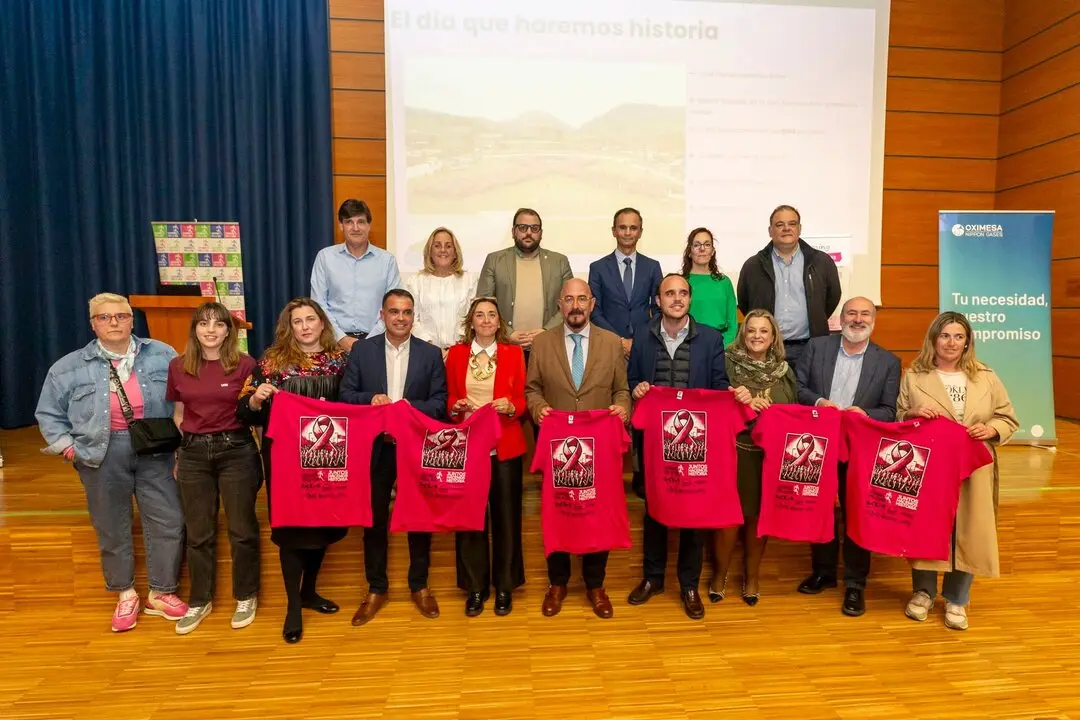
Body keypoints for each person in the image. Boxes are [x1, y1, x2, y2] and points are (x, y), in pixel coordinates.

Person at [35, 292, 188, 632]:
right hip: (100, 453)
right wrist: (69, 449)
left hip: (156, 449)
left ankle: (162, 592)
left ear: (133, 320)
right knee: (111, 526)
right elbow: (48, 414)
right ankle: (126, 593)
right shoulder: (67, 367)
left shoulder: (163, 354)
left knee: (169, 520)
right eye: (105, 317)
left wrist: (182, 446)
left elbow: (184, 400)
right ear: (93, 324)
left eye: (120, 316)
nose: (114, 322)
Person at [236, 298, 350, 644]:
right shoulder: (271, 361)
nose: (304, 326)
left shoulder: (340, 360)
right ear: (289, 326)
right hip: (287, 461)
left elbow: (354, 402)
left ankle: (310, 592)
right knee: (292, 529)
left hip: (328, 456)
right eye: (297, 321)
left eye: (310, 319)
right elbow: (245, 408)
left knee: (322, 526)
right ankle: (293, 607)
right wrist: (258, 398)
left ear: (321, 323)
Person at [897, 311, 1018, 630]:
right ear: (933, 339)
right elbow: (899, 419)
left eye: (958, 336)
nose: (951, 342)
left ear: (968, 342)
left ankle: (957, 599)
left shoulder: (986, 376)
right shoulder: (914, 376)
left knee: (970, 528)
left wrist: (990, 429)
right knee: (927, 526)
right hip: (930, 465)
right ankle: (922, 592)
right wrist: (912, 412)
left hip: (974, 464)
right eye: (945, 335)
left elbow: (1008, 418)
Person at [340, 289, 449, 626]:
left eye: (407, 312)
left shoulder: (430, 354)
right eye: (394, 312)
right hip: (376, 448)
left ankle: (419, 585)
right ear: (382, 314)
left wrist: (405, 408)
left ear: (413, 316)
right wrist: (371, 398)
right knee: (374, 520)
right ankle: (376, 587)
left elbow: (440, 403)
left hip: (415, 448)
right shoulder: (362, 352)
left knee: (419, 517)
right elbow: (346, 395)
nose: (401, 318)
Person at [525, 278, 631, 618]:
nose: (575, 305)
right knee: (559, 513)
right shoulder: (541, 344)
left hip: (598, 449)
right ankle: (557, 583)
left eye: (581, 299)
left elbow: (621, 391)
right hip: (559, 450)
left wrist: (623, 409)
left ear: (593, 303)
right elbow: (532, 389)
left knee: (596, 515)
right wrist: (538, 408)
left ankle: (595, 585)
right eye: (569, 299)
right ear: (559, 304)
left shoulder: (612, 342)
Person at [626, 274, 728, 619]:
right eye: (670, 293)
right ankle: (653, 579)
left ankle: (689, 583)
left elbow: (719, 387)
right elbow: (631, 380)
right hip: (654, 443)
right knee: (654, 510)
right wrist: (638, 390)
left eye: (683, 293)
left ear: (690, 299)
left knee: (693, 517)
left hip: (695, 444)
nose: (677, 298)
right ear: (658, 300)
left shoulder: (711, 338)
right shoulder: (642, 335)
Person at [795, 296, 901, 616]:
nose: (857, 319)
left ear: (874, 320)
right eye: (851, 313)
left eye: (864, 314)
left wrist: (864, 413)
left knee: (857, 512)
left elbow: (889, 411)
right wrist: (818, 403)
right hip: (819, 445)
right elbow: (797, 388)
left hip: (860, 448)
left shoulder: (888, 362)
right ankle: (824, 573)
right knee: (821, 509)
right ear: (840, 319)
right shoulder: (816, 348)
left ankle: (855, 583)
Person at [168, 302, 260, 635]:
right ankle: (200, 599)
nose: (211, 330)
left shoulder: (245, 365)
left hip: (236, 449)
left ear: (228, 331)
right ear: (194, 329)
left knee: (241, 529)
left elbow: (253, 413)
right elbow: (179, 412)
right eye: (204, 324)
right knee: (198, 532)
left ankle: (246, 595)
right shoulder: (178, 366)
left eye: (219, 324)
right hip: (193, 452)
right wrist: (181, 451)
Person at [446, 297, 528, 617]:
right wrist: (455, 407)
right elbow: (450, 396)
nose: (485, 320)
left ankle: (505, 586)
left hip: (504, 446)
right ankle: (475, 587)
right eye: (479, 315)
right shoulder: (455, 354)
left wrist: (512, 407)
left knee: (506, 519)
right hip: (468, 448)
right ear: (471, 321)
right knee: (470, 521)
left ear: (499, 322)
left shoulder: (513, 353)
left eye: (491, 315)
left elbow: (521, 399)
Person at [718, 309, 797, 605]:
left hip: (771, 456)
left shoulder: (784, 371)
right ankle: (719, 575)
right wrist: (740, 402)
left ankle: (752, 577)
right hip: (734, 452)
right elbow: (714, 401)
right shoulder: (727, 363)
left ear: (773, 336)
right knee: (729, 518)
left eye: (764, 331)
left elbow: (794, 412)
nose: (757, 336)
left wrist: (772, 409)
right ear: (743, 333)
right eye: (751, 330)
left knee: (758, 519)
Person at [737, 205, 841, 365]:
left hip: (809, 347)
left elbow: (832, 298)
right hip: (767, 349)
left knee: (806, 391)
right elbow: (745, 302)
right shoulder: (753, 265)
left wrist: (815, 318)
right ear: (770, 231)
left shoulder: (821, 262)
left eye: (792, 224)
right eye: (780, 225)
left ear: (799, 228)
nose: (786, 228)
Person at [476, 208, 573, 355]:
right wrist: (508, 333)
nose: (528, 233)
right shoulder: (495, 260)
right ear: (513, 231)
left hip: (548, 348)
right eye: (522, 228)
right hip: (505, 347)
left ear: (541, 232)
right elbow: (483, 303)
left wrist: (546, 332)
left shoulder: (559, 261)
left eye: (534, 228)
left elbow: (570, 303)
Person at [310, 198, 402, 352]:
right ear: (341, 226)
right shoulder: (325, 258)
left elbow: (393, 305)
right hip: (334, 344)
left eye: (361, 222)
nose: (355, 228)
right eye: (349, 222)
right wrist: (341, 338)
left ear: (369, 225)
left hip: (377, 344)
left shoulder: (387, 261)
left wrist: (370, 341)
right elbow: (318, 304)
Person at [587, 207, 663, 358]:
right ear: (613, 231)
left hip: (644, 345)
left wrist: (639, 339)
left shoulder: (652, 267)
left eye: (633, 228)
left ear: (640, 232)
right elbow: (594, 311)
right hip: (607, 346)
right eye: (622, 227)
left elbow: (659, 309)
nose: (627, 233)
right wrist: (619, 341)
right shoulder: (598, 268)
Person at [405, 227, 479, 358]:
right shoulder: (415, 281)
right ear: (430, 251)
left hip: (462, 352)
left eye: (448, 246)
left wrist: (456, 348)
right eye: (437, 246)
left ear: (455, 252)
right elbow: (412, 320)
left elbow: (472, 318)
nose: (443, 250)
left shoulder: (470, 280)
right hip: (424, 353)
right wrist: (432, 348)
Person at [682, 227, 738, 348]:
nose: (702, 249)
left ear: (712, 251)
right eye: (697, 245)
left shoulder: (724, 282)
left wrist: (723, 345)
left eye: (707, 244)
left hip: (720, 345)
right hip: (689, 345)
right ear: (690, 251)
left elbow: (733, 322)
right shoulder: (681, 282)